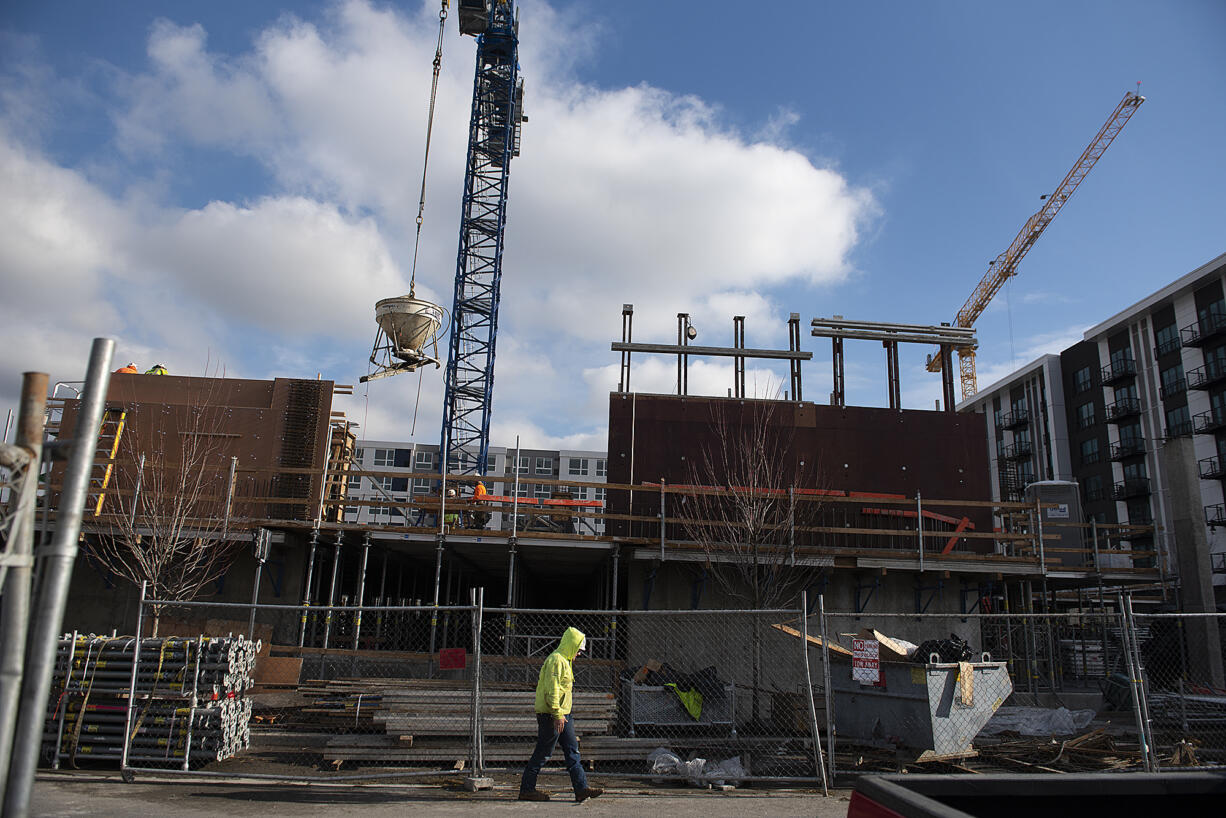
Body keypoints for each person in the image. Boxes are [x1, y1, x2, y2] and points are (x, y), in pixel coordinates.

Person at [518, 627, 603, 803]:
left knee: (573, 752)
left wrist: (562, 714)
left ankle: (581, 789)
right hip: (552, 715)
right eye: (579, 650)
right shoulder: (556, 660)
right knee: (543, 753)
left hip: (563, 715)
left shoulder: (565, 660)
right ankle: (527, 790)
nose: (580, 654)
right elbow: (552, 690)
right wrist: (557, 714)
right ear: (571, 645)